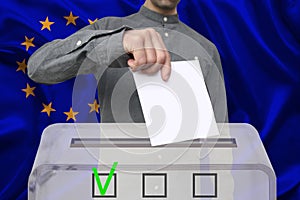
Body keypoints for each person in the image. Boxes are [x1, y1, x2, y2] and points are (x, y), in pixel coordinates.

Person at [28, 0, 227, 123]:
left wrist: (223, 191)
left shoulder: (206, 50)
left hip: (180, 183)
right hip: (116, 181)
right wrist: (118, 42)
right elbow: (38, 68)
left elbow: (221, 139)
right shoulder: (107, 28)